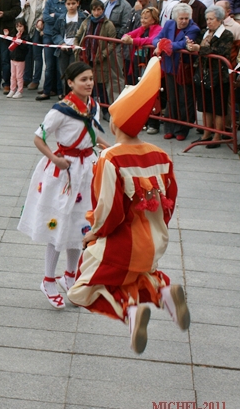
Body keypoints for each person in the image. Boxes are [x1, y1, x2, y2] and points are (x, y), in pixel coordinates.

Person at [69, 57, 187, 354]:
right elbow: (170, 200)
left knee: (83, 288)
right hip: (154, 239)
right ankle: (164, 293)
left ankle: (131, 312)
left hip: (123, 240)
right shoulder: (160, 154)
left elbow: (109, 209)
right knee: (136, 274)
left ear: (116, 122)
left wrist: (94, 233)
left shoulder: (110, 159)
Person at [18, 61, 108, 308]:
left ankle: (70, 276)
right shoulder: (61, 110)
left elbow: (92, 134)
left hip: (87, 170)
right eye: (83, 79)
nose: (89, 83)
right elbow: (39, 137)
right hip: (65, 172)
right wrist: (55, 158)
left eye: (90, 78)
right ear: (70, 83)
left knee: (81, 225)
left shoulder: (93, 105)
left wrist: (108, 147)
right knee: (58, 224)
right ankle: (48, 280)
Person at [186, 4, 234, 148]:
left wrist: (200, 48)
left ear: (219, 20)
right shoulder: (204, 32)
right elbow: (196, 45)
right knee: (205, 105)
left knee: (218, 106)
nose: (208, 22)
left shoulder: (226, 34)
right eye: (207, 19)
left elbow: (220, 51)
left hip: (219, 74)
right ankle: (206, 133)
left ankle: (217, 135)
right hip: (203, 72)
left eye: (211, 19)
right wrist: (190, 45)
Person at [153, 2, 200, 141]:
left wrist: (164, 44)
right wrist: (159, 43)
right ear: (175, 18)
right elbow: (156, 38)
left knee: (184, 99)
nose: (184, 21)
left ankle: (182, 129)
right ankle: (169, 128)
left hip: (183, 68)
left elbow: (183, 44)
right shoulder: (169, 24)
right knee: (171, 98)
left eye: (186, 18)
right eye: (181, 18)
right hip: (169, 66)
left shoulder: (193, 28)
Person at [38, 0, 70, 100]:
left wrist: (55, 15)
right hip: (48, 35)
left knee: (60, 66)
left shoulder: (68, 1)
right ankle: (47, 90)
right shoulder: (50, 1)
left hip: (62, 37)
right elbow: (46, 17)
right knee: (49, 65)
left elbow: (67, 17)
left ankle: (61, 91)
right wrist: (59, 17)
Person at [52, 0, 87, 86]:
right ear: (65, 4)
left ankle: (75, 92)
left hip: (76, 50)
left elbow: (86, 33)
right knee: (64, 74)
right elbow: (55, 33)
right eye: (68, 4)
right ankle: (66, 92)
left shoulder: (83, 17)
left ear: (78, 3)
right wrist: (61, 43)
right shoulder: (61, 18)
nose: (71, 6)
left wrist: (79, 44)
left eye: (73, 3)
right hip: (63, 49)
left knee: (75, 73)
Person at [22, 0, 49, 91]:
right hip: (29, 27)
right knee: (28, 54)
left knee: (37, 55)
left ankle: (36, 80)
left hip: (39, 29)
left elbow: (45, 13)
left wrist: (41, 21)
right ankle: (27, 77)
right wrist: (25, 7)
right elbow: (26, 12)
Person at [7, 18, 30, 98]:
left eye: (20, 26)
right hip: (13, 58)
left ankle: (19, 91)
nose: (19, 28)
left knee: (19, 76)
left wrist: (19, 41)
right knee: (13, 75)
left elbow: (25, 47)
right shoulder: (14, 35)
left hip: (20, 59)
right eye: (17, 26)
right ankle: (12, 89)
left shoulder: (26, 37)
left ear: (24, 26)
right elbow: (10, 45)